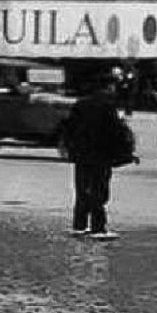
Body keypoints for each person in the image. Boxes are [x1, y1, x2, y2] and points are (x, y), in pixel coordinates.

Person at [63, 74, 134, 240]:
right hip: (101, 155)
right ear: (108, 87)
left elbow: (69, 127)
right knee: (99, 191)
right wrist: (125, 152)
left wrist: (72, 148)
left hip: (82, 155)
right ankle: (98, 227)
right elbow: (115, 132)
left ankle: (79, 225)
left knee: (82, 190)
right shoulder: (107, 106)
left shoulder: (81, 104)